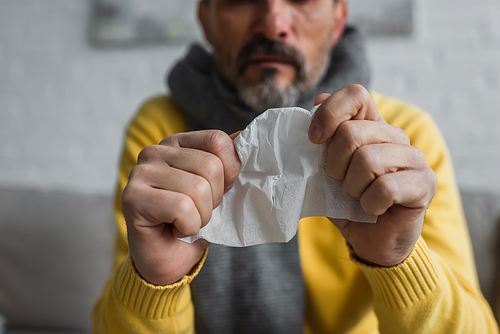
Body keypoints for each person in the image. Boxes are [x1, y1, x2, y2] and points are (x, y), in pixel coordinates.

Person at [93, 0, 499, 333]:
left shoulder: (403, 140)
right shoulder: (163, 136)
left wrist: (397, 259)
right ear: (208, 20)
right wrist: (154, 282)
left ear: (338, 20)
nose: (273, 24)